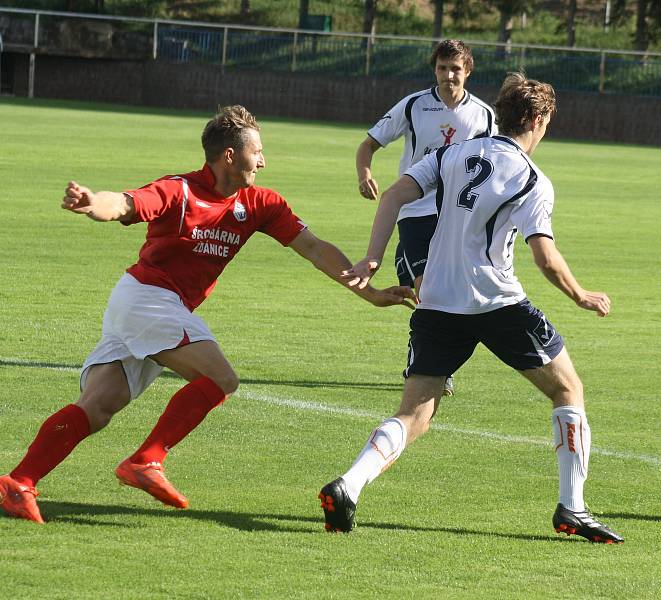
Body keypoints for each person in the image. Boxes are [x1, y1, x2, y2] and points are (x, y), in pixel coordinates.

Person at [0, 105, 415, 524]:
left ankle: (18, 484)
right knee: (221, 378)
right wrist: (93, 203)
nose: (264, 161)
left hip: (147, 306)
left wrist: (372, 295)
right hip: (149, 298)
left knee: (97, 408)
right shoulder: (179, 191)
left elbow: (314, 248)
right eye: (258, 152)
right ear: (230, 156)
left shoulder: (260, 203)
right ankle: (147, 460)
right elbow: (126, 203)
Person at [319, 74, 624, 544]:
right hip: (497, 301)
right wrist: (581, 294)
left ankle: (349, 484)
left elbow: (396, 195)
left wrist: (374, 256)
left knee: (414, 415)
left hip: (436, 300)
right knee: (568, 390)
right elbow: (544, 256)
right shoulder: (531, 178)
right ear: (539, 121)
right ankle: (573, 507)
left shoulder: (450, 153)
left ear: (498, 114)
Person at [356, 39, 497, 397]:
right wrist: (364, 172)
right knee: (428, 288)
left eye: (455, 69)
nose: (448, 75)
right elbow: (369, 142)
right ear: (434, 69)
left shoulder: (484, 115)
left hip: (458, 215)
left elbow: (498, 161)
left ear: (467, 71)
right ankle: (431, 366)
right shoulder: (415, 105)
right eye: (442, 68)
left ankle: (436, 362)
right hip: (415, 210)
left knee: (451, 293)